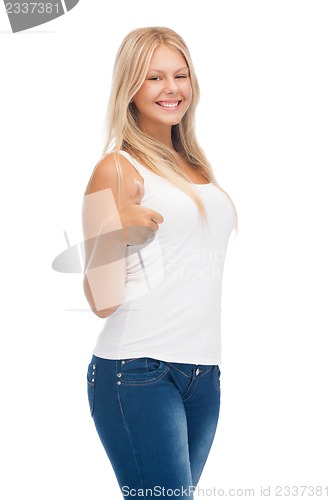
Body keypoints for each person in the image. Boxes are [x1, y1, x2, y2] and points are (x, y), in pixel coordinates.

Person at [82, 26, 238, 499]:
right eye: (153, 78)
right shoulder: (116, 168)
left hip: (202, 373)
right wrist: (114, 233)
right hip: (138, 371)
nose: (171, 89)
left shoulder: (195, 165)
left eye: (180, 75)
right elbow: (100, 301)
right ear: (130, 87)